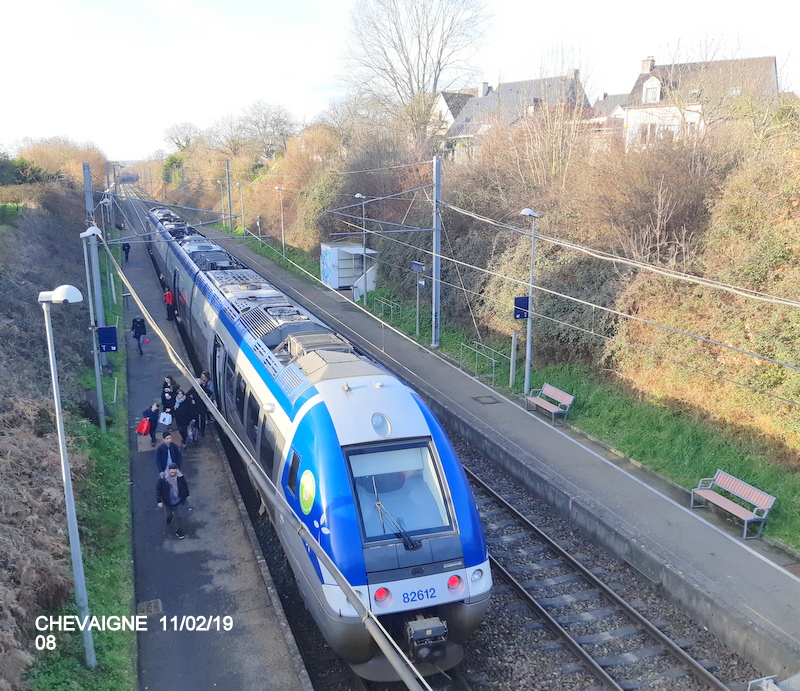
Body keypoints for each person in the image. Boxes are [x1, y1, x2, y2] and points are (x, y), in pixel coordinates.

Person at [156, 463, 189, 539]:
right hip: (168, 501)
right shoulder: (163, 478)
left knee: (179, 516)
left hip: (179, 499)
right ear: (168, 471)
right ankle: (169, 517)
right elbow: (158, 489)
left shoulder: (180, 476)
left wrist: (186, 494)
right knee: (169, 514)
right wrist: (159, 501)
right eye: (171, 472)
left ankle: (178, 530)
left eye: (175, 472)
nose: (173, 474)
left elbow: (185, 485)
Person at [197, 371, 215, 437]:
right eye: (202, 377)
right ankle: (210, 418)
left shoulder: (210, 383)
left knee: (208, 411)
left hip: (208, 400)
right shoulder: (204, 383)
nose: (203, 378)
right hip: (204, 401)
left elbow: (211, 392)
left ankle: (211, 418)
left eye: (204, 377)